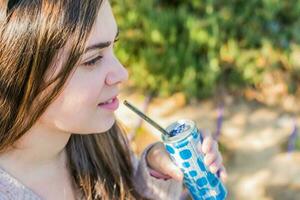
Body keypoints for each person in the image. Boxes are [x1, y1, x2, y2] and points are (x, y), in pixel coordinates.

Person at [0, 0, 227, 199]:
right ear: (22, 77)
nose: (122, 74)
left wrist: (154, 171)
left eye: (113, 46)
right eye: (92, 59)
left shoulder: (101, 139)